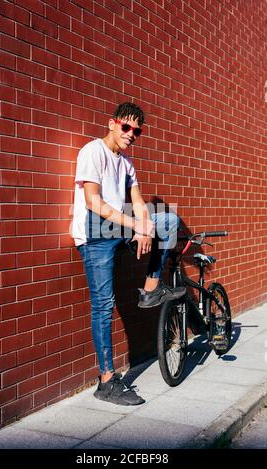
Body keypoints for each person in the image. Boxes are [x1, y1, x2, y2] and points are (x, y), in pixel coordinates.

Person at [71, 102, 185, 406]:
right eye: (126, 127)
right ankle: (106, 381)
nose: (131, 134)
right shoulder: (92, 152)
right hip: (94, 233)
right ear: (112, 124)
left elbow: (136, 200)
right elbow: (93, 203)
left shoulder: (127, 162)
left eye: (137, 131)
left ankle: (150, 288)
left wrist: (144, 225)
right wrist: (136, 224)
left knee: (168, 220)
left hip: (116, 227)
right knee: (103, 306)